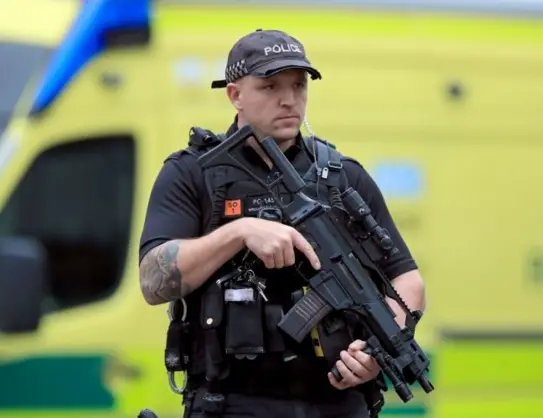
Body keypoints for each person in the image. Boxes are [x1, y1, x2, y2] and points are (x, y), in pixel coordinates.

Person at [138, 29, 426, 418]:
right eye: (270, 86)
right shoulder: (193, 173)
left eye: (298, 85)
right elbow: (154, 282)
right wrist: (239, 233)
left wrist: (373, 354)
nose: (289, 100)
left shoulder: (343, 178)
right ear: (235, 94)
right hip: (231, 403)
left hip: (337, 403)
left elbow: (407, 281)